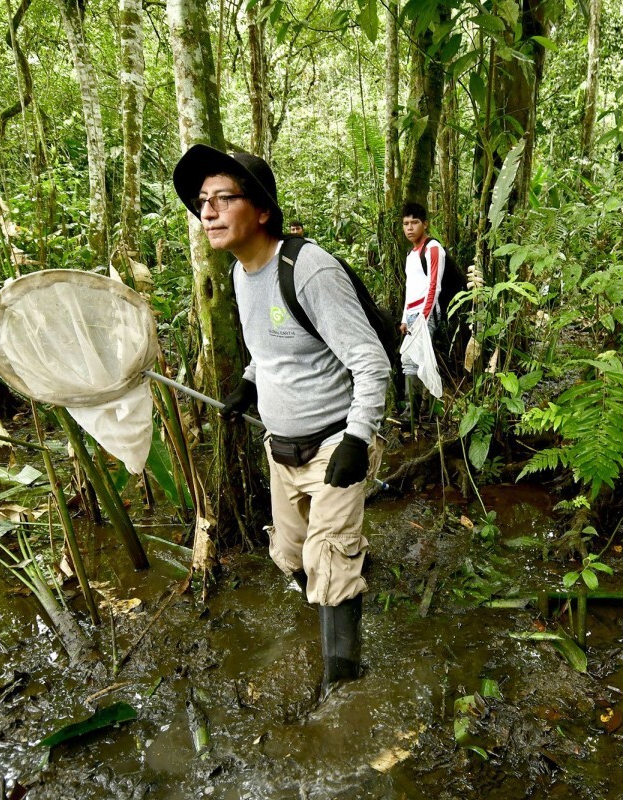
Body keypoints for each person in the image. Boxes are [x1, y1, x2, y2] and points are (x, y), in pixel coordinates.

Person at [173, 145, 389, 697]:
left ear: (262, 209)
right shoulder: (242, 274)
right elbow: (273, 350)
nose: (209, 212)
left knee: (330, 565)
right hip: (280, 449)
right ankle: (336, 590)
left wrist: (357, 441)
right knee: (291, 556)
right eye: (202, 201)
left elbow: (370, 361)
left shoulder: (308, 269)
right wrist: (250, 383)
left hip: (334, 443)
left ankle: (342, 694)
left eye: (224, 198)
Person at [399, 201, 446, 428]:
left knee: (416, 362)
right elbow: (410, 289)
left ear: (425, 224)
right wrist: (403, 319)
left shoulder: (433, 248)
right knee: (410, 361)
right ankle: (415, 412)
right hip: (412, 314)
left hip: (425, 313)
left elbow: (433, 286)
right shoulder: (411, 254)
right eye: (406, 223)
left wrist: (422, 318)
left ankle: (414, 414)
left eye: (414, 222)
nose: (410, 228)